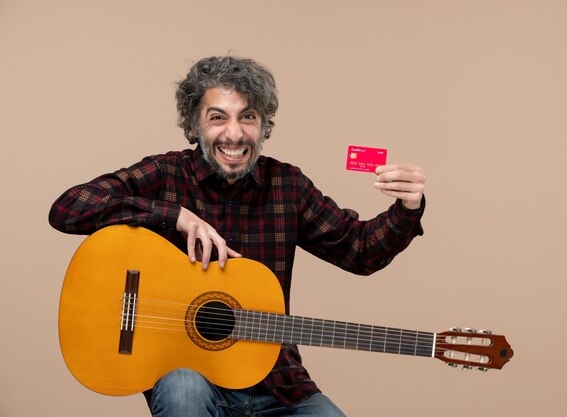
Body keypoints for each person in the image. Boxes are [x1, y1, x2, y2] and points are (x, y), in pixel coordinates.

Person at [49, 56, 426, 417]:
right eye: (218, 118)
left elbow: (360, 251)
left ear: (263, 126)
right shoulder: (166, 173)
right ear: (195, 126)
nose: (234, 133)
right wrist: (174, 216)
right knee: (183, 387)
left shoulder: (287, 185)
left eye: (248, 117)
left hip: (278, 385)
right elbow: (68, 207)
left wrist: (407, 209)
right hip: (189, 377)